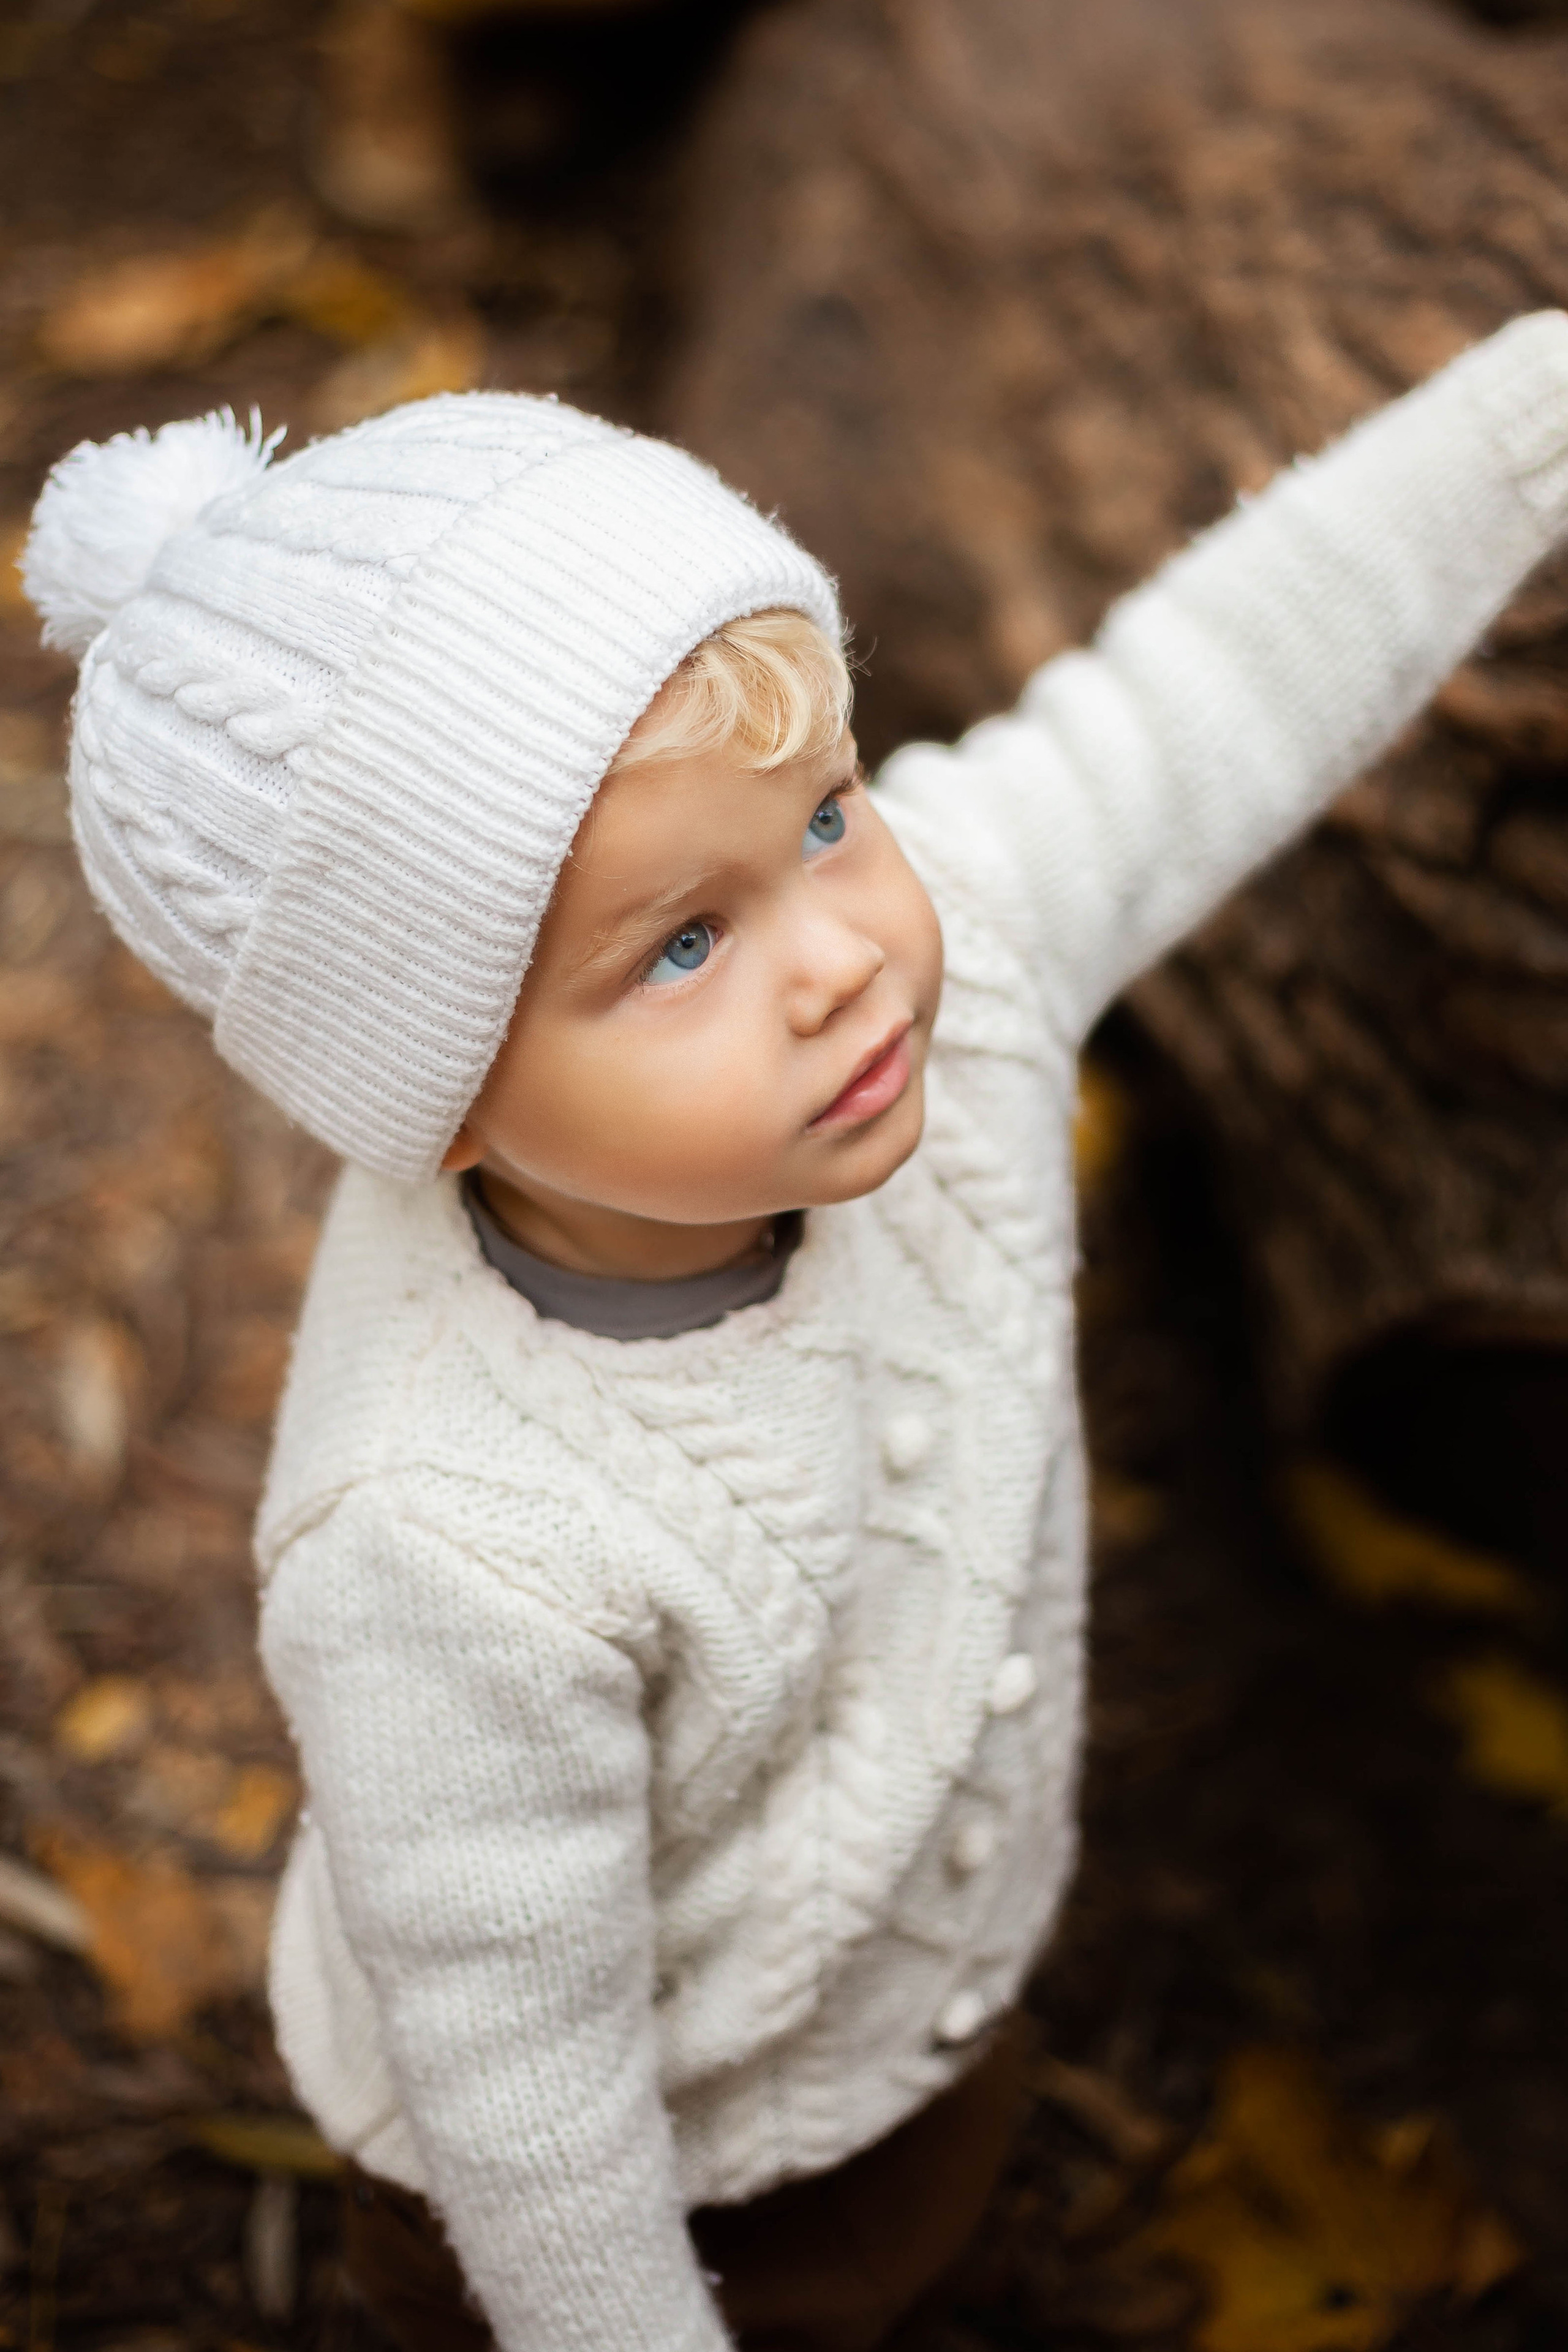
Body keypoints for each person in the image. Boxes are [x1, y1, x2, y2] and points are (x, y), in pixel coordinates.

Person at [23, 312, 1568, 2352]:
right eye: (682, 943)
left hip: (907, 2037)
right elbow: (528, 2102)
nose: (840, 959)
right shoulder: (450, 1541)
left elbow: (1213, 688)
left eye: (830, 813)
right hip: (623, 2204)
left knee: (936, 2234)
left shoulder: (949, 983)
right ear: (438, 1092)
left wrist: (1529, 413)